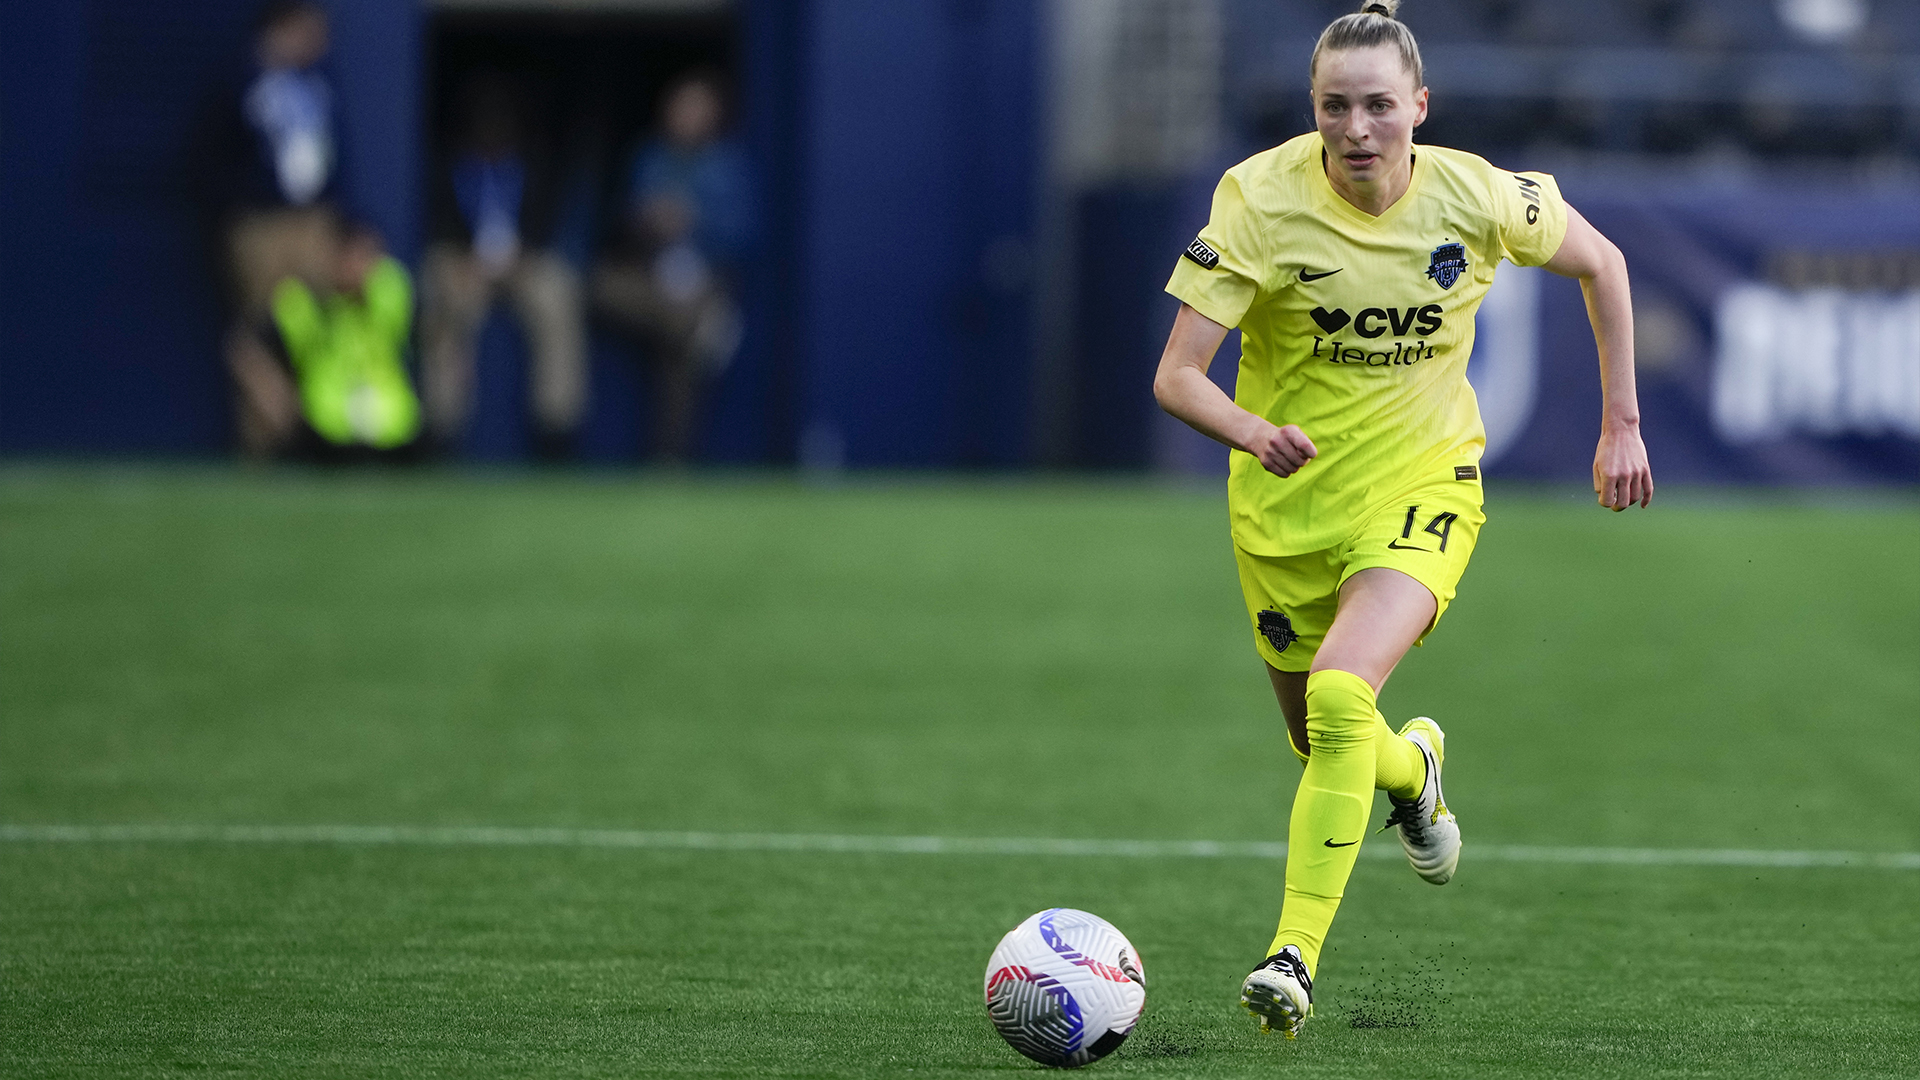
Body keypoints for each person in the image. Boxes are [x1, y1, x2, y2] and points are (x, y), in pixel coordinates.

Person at [1151, 0, 1652, 1039]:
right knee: (1321, 738)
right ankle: (1412, 768)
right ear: (1314, 111)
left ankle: (1291, 958)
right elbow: (1176, 376)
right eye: (1335, 106)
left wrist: (1622, 426)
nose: (1357, 128)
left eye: (1379, 104)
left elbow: (1603, 264)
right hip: (1284, 511)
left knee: (1339, 693)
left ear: (1419, 106)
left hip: (1423, 488)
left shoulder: (1476, 196)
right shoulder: (1257, 200)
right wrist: (1249, 430)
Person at [421, 73, 586, 458]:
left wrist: (520, 257)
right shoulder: (450, 167)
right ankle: (443, 427)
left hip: (522, 265)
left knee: (558, 289)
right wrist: (467, 261)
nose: (492, 131)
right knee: (441, 292)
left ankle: (556, 426)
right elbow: (440, 229)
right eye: (484, 122)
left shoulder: (533, 166)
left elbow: (542, 228)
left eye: (500, 123)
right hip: (464, 263)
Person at [592, 71, 754, 462]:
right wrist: (647, 221)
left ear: (713, 114)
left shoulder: (729, 167)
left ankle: (669, 462)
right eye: (679, 105)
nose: (685, 115)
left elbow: (743, 238)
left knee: (678, 356)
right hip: (647, 278)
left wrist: (693, 220)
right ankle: (695, 325)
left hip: (702, 280)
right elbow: (618, 223)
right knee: (605, 286)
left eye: (695, 106)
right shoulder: (649, 158)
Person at [217, 0, 345, 459]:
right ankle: (264, 444)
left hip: (312, 221)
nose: (321, 42)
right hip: (260, 223)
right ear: (285, 26)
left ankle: (323, 439)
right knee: (258, 331)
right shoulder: (240, 79)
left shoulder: (319, 83)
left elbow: (333, 154)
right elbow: (214, 157)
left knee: (318, 327)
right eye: (312, 30)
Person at [271, 222, 422, 457]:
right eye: (351, 257)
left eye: (366, 257)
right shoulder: (305, 299)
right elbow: (296, 333)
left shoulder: (388, 291)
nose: (359, 267)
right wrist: (327, 295)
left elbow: (393, 295)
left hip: (391, 425)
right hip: (326, 424)